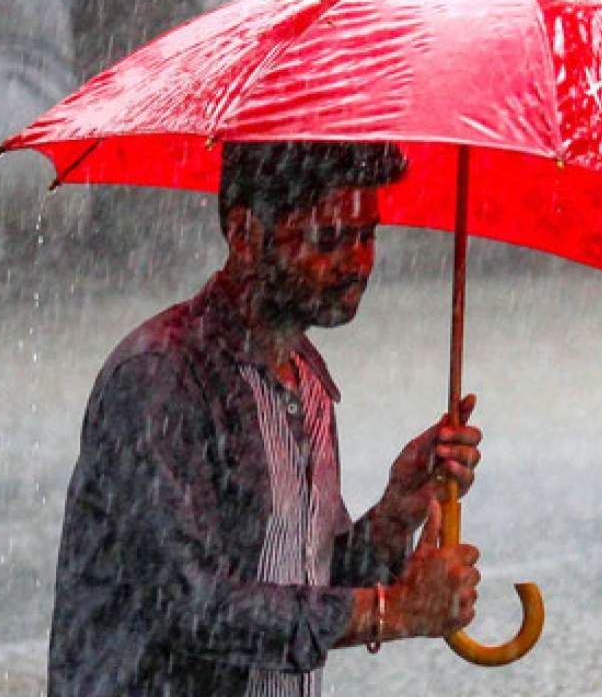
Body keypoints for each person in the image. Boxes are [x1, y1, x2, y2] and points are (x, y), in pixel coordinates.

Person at [48, 141, 484, 696]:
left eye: (367, 235)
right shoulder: (162, 379)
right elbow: (191, 604)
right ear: (245, 236)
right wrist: (393, 611)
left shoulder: (308, 382)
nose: (358, 264)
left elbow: (308, 581)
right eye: (328, 238)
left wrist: (398, 511)